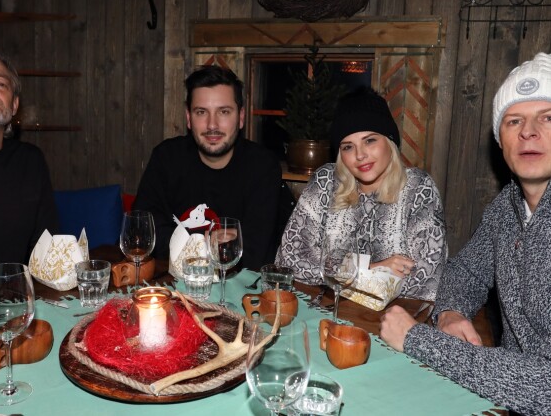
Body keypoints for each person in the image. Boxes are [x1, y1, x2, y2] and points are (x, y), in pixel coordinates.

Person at [380, 52, 551, 415]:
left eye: (547, 118)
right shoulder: (507, 207)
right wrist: (451, 311)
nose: (529, 132)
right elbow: (465, 271)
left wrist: (419, 341)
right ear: (500, 140)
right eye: (514, 120)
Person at [275, 86, 447, 300]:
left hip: (390, 321)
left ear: (390, 141)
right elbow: (289, 260)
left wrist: (334, 272)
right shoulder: (326, 181)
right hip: (327, 310)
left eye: (370, 140)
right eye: (348, 147)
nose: (360, 155)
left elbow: (427, 281)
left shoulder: (417, 188)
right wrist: (371, 269)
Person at [134, 65, 283, 270]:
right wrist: (214, 245)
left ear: (240, 118)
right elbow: (144, 235)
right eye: (201, 112)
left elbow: (256, 253)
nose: (212, 125)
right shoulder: (166, 157)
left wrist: (184, 244)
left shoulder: (262, 166)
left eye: (224, 112)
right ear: (188, 118)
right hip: (170, 286)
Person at [0, 43, 58, 299]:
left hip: (17, 311)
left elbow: (45, 253)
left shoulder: (31, 161)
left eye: (1, 84)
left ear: (14, 105)